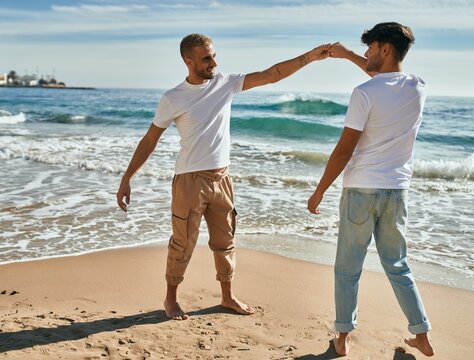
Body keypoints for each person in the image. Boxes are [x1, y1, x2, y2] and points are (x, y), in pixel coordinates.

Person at [116, 33, 331, 320]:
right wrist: (127, 178)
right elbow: (149, 140)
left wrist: (309, 57)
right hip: (190, 182)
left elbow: (272, 75)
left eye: (214, 55)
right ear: (188, 61)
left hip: (223, 180)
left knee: (225, 241)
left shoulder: (225, 84)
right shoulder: (172, 98)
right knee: (182, 243)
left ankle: (228, 296)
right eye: (206, 58)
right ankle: (171, 299)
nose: (214, 62)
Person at [308, 23, 434, 357]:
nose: (365, 54)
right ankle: (421, 334)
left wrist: (319, 190)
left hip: (361, 191)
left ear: (385, 49)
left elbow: (344, 151)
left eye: (369, 48)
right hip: (396, 192)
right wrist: (345, 53)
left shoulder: (363, 94)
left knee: (347, 269)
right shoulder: (418, 87)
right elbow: (381, 76)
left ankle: (343, 336)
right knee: (398, 266)